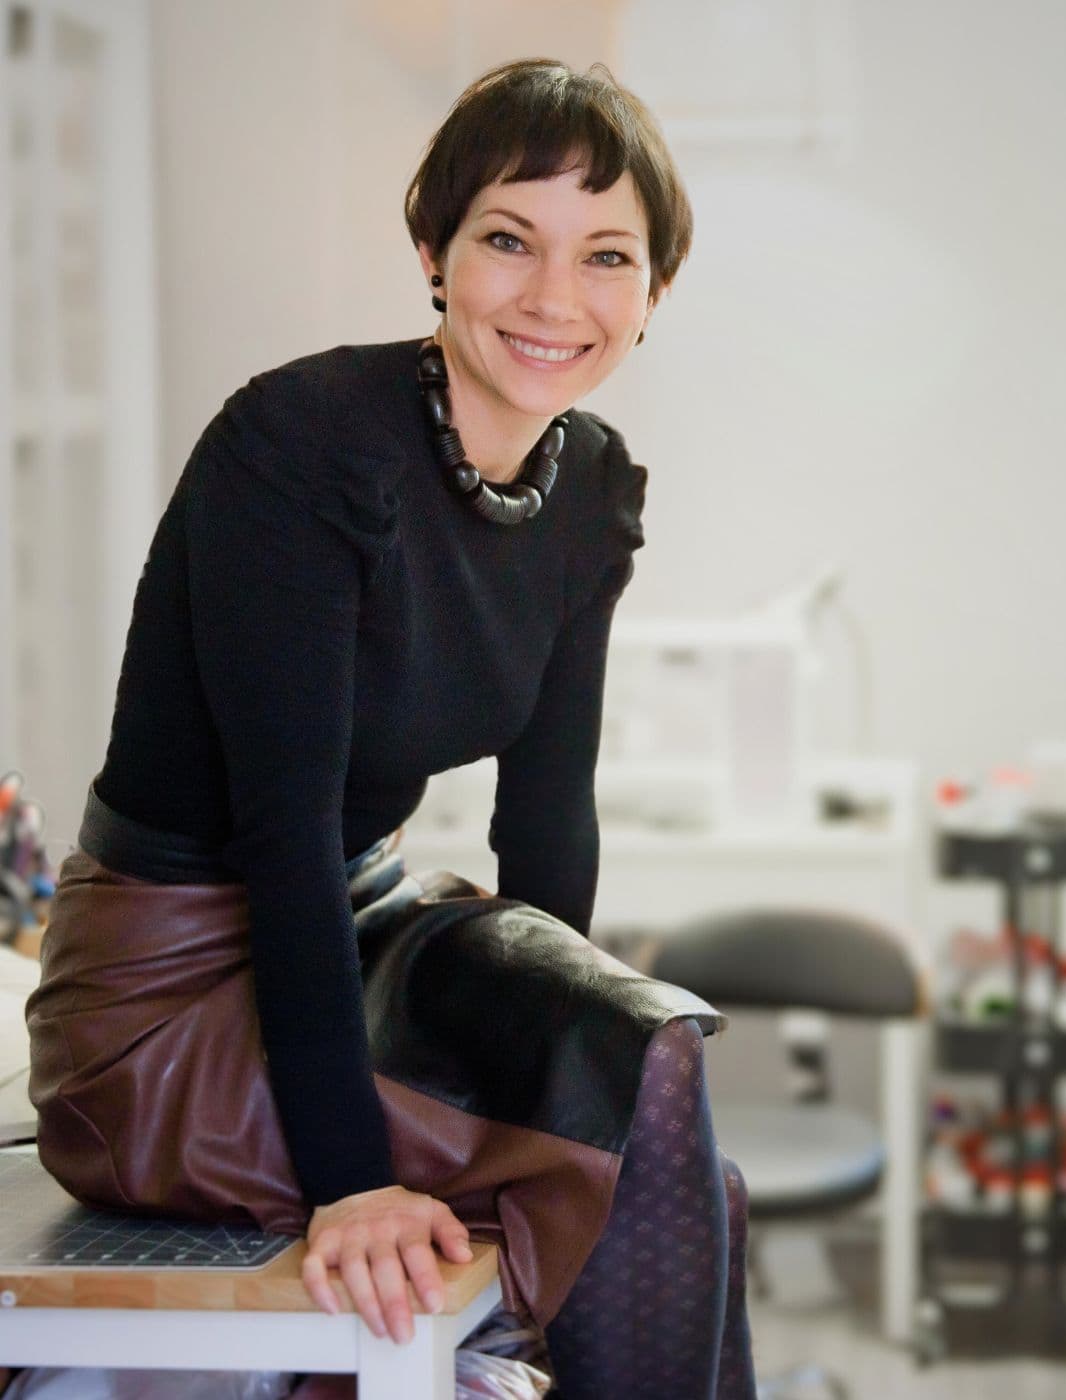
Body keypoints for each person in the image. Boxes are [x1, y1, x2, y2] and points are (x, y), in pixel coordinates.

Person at [26, 58, 757, 1399]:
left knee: (651, 1092)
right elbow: (284, 833)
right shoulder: (300, 447)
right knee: (655, 1152)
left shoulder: (589, 487)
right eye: (505, 239)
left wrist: (564, 1050)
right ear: (433, 250)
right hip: (165, 1003)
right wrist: (350, 1185)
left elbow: (550, 820)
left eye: (606, 255)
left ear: (653, 294)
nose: (553, 297)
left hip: (359, 935)